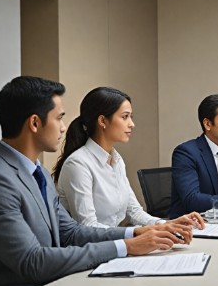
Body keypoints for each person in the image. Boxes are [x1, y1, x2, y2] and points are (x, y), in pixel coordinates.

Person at [0, 77, 192, 286]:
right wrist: (125, 246)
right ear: (34, 123)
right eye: (58, 118)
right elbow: (32, 262)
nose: (63, 128)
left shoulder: (36, 171)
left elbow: (71, 232)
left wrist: (134, 233)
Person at [53, 87, 204, 229]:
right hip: (92, 251)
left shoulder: (116, 159)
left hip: (115, 243)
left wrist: (168, 224)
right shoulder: (78, 164)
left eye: (131, 117)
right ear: (103, 121)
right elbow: (88, 226)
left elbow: (134, 212)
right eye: (125, 117)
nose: (132, 124)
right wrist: (135, 234)